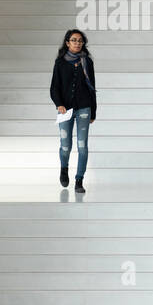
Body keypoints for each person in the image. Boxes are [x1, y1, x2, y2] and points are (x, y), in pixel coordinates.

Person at [50, 29, 95, 192]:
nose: (77, 43)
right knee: (65, 145)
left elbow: (92, 87)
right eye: (74, 40)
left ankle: (79, 180)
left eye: (80, 41)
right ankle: (64, 169)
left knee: (82, 146)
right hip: (65, 110)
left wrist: (93, 112)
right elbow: (54, 87)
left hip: (84, 108)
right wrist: (59, 104)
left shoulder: (87, 62)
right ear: (67, 42)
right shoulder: (60, 62)